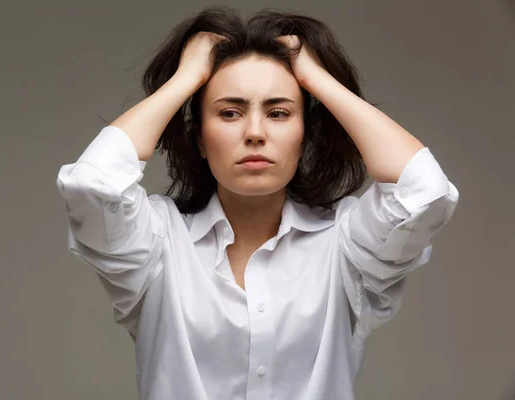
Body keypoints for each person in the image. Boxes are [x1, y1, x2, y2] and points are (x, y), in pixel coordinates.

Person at [55, 6, 459, 400]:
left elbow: (424, 193)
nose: (254, 132)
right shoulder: (158, 242)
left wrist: (316, 78)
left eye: (279, 112)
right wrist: (186, 79)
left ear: (305, 136)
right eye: (229, 112)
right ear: (199, 137)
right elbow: (93, 184)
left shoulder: (346, 244)